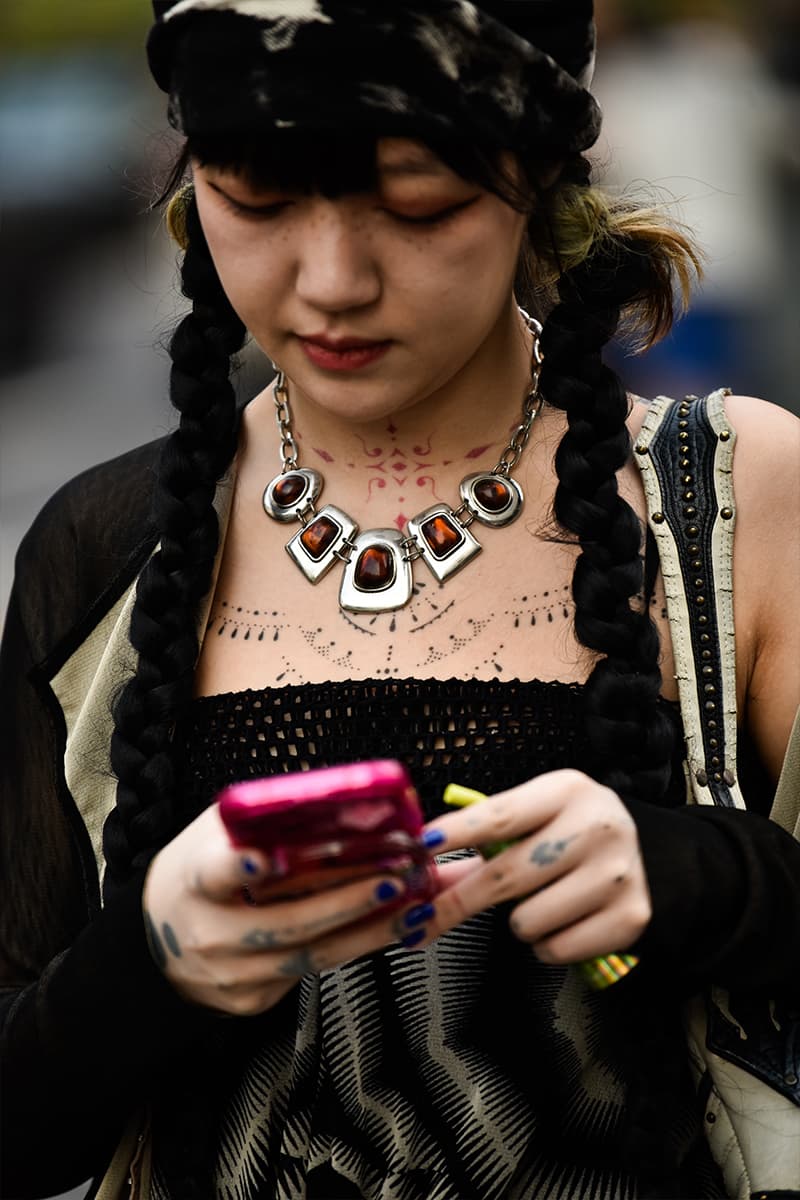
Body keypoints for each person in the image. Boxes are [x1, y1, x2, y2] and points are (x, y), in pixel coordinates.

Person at [1, 2, 798, 1197]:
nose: (332, 281)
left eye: (418, 201)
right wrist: (145, 961)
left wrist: (705, 876)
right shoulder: (106, 545)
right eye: (256, 198)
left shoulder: (738, 498)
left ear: (538, 178)